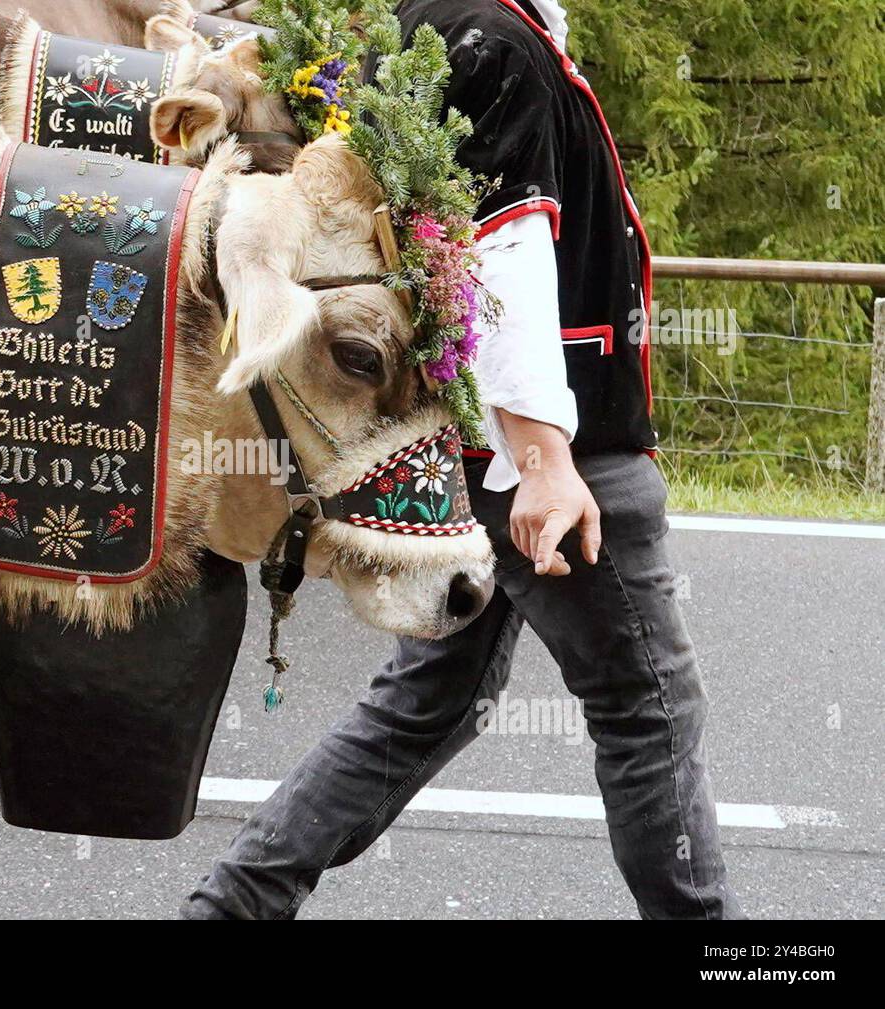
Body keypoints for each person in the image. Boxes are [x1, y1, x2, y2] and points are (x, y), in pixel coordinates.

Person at [181, 0, 745, 920]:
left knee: (428, 700)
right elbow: (506, 247)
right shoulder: (497, 40)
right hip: (559, 449)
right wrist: (545, 459)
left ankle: (236, 903)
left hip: (464, 438)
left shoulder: (425, 27)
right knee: (648, 708)